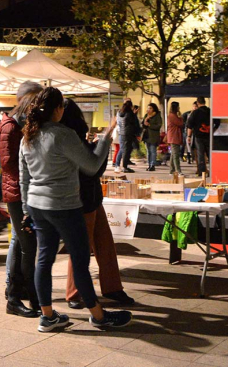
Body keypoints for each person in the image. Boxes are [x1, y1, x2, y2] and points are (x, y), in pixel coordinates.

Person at [20, 87, 132, 332]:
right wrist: (105, 137)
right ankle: (99, 315)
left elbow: (24, 178)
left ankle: (47, 316)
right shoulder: (63, 134)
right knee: (80, 261)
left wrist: (26, 210)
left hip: (38, 206)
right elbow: (91, 166)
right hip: (64, 205)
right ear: (58, 109)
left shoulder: (28, 136)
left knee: (44, 260)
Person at [61, 99, 134, 309]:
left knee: (105, 245)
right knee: (80, 249)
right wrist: (105, 139)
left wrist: (100, 142)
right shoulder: (69, 139)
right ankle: (74, 294)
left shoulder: (71, 137)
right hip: (81, 200)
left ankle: (112, 288)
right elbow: (91, 168)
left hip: (91, 198)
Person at [0, 81, 43, 318]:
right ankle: (19, 297)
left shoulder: (20, 125)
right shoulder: (10, 126)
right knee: (25, 245)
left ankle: (17, 294)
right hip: (16, 192)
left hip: (22, 190)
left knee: (21, 243)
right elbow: (8, 164)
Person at [187, 97, 211, 176]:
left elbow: (189, 125)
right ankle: (214, 170)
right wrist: (212, 130)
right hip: (209, 136)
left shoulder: (195, 113)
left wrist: (189, 136)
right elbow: (217, 122)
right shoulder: (210, 111)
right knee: (210, 154)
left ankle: (202, 172)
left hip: (198, 136)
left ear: (198, 103)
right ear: (205, 102)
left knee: (200, 154)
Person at [142, 103, 162, 172]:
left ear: (154, 109)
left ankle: (152, 165)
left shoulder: (157, 116)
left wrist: (150, 125)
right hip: (147, 136)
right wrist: (145, 121)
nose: (148, 110)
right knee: (148, 151)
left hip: (153, 136)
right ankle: (149, 164)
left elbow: (158, 126)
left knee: (153, 151)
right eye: (148, 108)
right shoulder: (146, 116)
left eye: (150, 108)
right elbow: (143, 125)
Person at [118, 100, 137, 173]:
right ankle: (125, 167)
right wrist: (134, 114)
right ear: (131, 106)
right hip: (128, 133)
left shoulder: (120, 113)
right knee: (127, 150)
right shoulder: (129, 113)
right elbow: (133, 123)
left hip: (122, 133)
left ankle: (124, 165)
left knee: (124, 149)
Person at [167, 101, 184, 175]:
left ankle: (171, 170)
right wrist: (180, 117)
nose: (179, 108)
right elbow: (180, 123)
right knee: (176, 154)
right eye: (178, 107)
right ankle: (178, 170)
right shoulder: (172, 116)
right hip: (174, 137)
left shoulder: (172, 115)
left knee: (173, 154)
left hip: (174, 136)